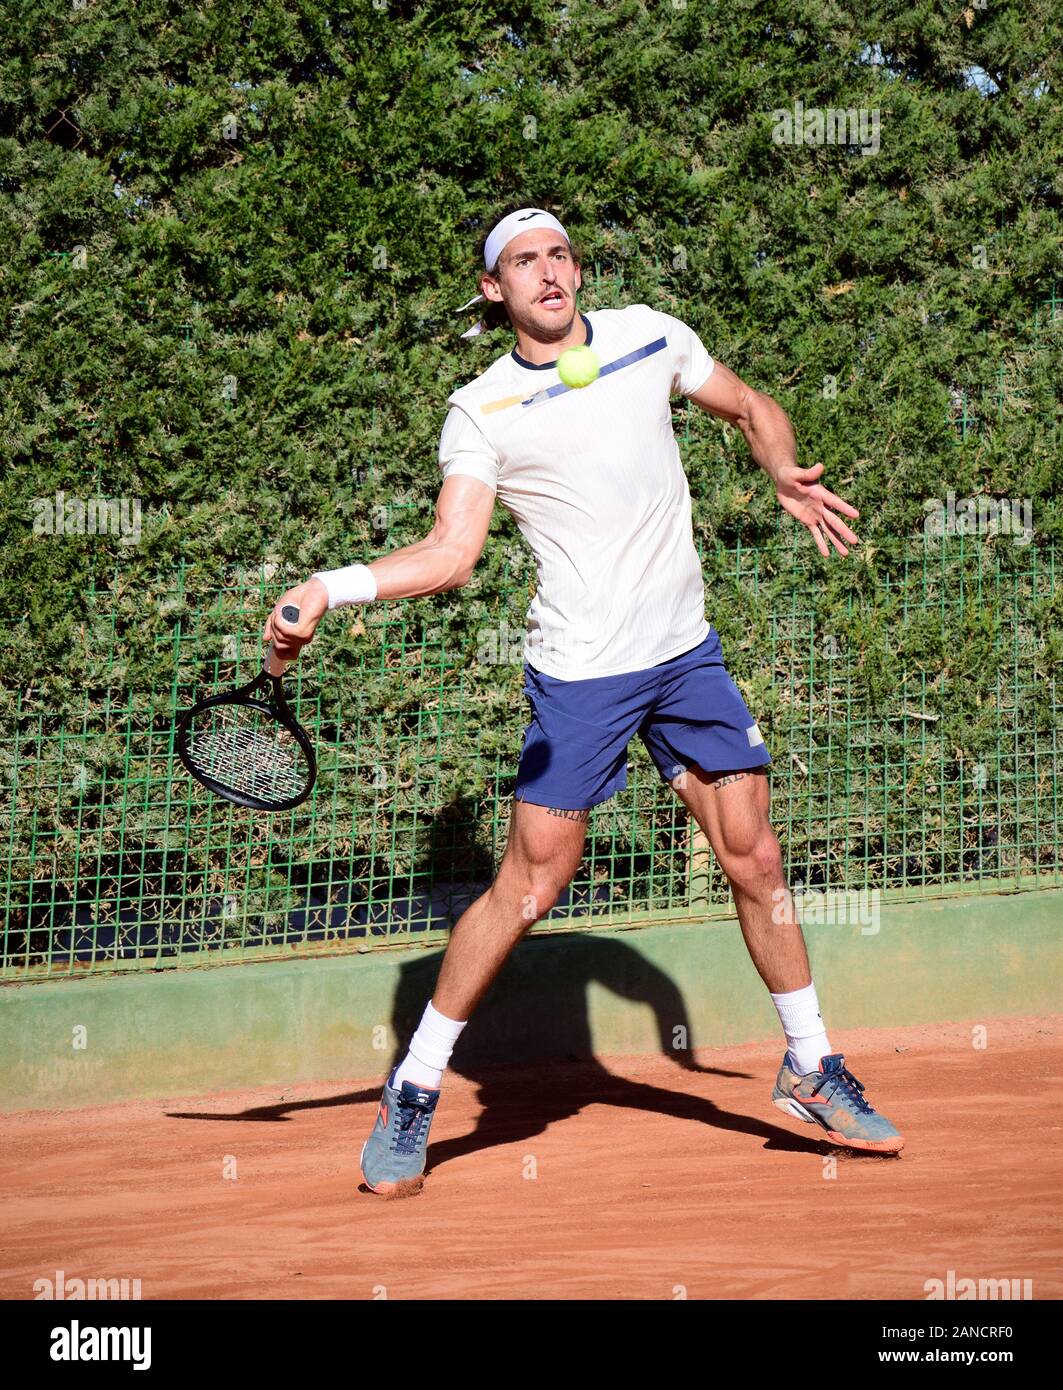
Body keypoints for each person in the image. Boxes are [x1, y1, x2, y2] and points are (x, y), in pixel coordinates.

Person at [264, 205, 904, 1196]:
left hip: (685, 655)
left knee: (755, 852)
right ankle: (417, 1087)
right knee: (528, 887)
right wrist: (328, 586)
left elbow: (748, 403)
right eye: (523, 261)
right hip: (583, 675)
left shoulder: (653, 335)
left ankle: (810, 1062)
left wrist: (778, 465)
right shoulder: (481, 409)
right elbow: (449, 552)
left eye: (559, 253)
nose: (548, 271)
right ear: (494, 290)